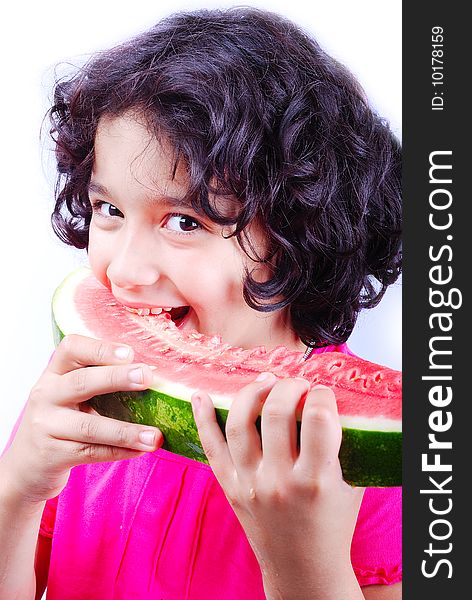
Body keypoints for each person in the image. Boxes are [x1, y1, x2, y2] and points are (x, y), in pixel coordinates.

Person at [0, 8, 402, 599]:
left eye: (183, 221)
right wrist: (16, 489)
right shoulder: (84, 399)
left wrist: (303, 561)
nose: (126, 272)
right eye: (108, 210)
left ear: (299, 235)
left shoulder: (361, 454)